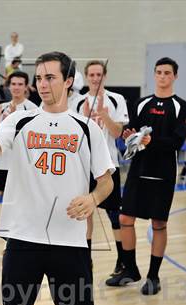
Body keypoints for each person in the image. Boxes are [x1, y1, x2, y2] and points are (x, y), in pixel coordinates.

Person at [0, 51, 114, 305]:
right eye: (39, 78)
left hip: (69, 241)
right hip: (22, 238)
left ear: (67, 81)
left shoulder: (87, 128)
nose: (42, 84)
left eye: (50, 77)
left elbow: (106, 180)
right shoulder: (20, 120)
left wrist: (94, 198)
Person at [105, 57, 186, 295]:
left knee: (159, 223)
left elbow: (177, 141)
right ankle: (130, 269)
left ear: (175, 76)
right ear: (154, 74)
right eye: (159, 72)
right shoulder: (142, 103)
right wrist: (130, 135)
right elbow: (132, 131)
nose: (162, 76)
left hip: (163, 172)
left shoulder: (180, 105)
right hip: (139, 169)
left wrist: (153, 142)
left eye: (167, 73)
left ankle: (153, 276)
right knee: (124, 219)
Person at [71, 60, 129, 276]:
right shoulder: (76, 102)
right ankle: (86, 261)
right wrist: (86, 118)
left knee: (115, 215)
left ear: (105, 76)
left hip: (108, 165)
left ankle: (122, 260)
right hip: (83, 166)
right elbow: (75, 137)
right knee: (86, 213)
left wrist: (104, 115)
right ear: (86, 77)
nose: (95, 78)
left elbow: (117, 134)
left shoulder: (117, 99)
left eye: (99, 75)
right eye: (92, 75)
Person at [0, 71, 38, 193]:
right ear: (9, 86)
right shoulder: (1, 107)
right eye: (13, 84)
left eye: (20, 84)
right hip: (4, 161)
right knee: (5, 199)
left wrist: (14, 121)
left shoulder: (33, 109)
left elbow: (33, 139)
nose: (16, 87)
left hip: (23, 163)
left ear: (26, 87)